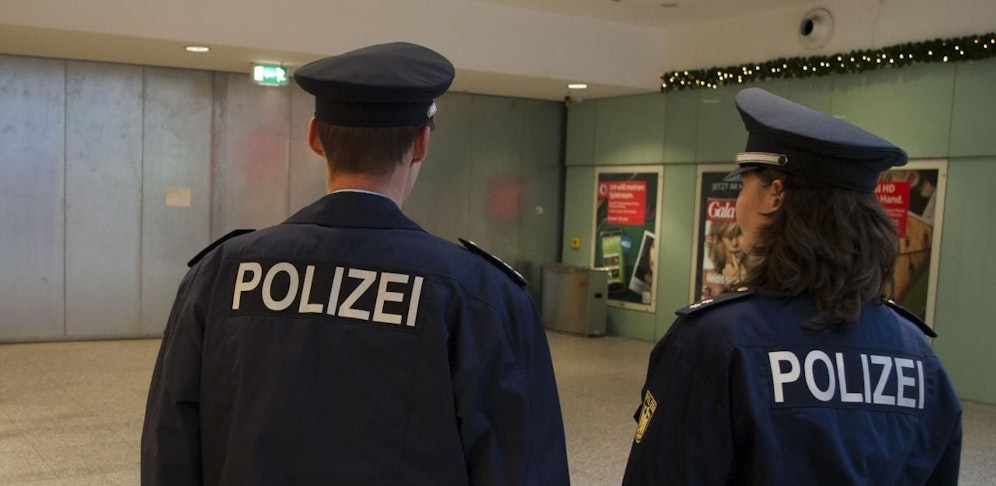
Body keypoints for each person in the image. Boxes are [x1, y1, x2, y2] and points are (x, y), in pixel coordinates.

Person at [141, 42, 570, 486]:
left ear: (314, 137)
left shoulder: (221, 274)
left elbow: (170, 447)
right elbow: (523, 467)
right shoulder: (479, 296)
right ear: (421, 144)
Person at [622, 87, 962, 485]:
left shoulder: (717, 341)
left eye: (745, 185)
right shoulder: (918, 355)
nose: (738, 204)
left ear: (775, 194)